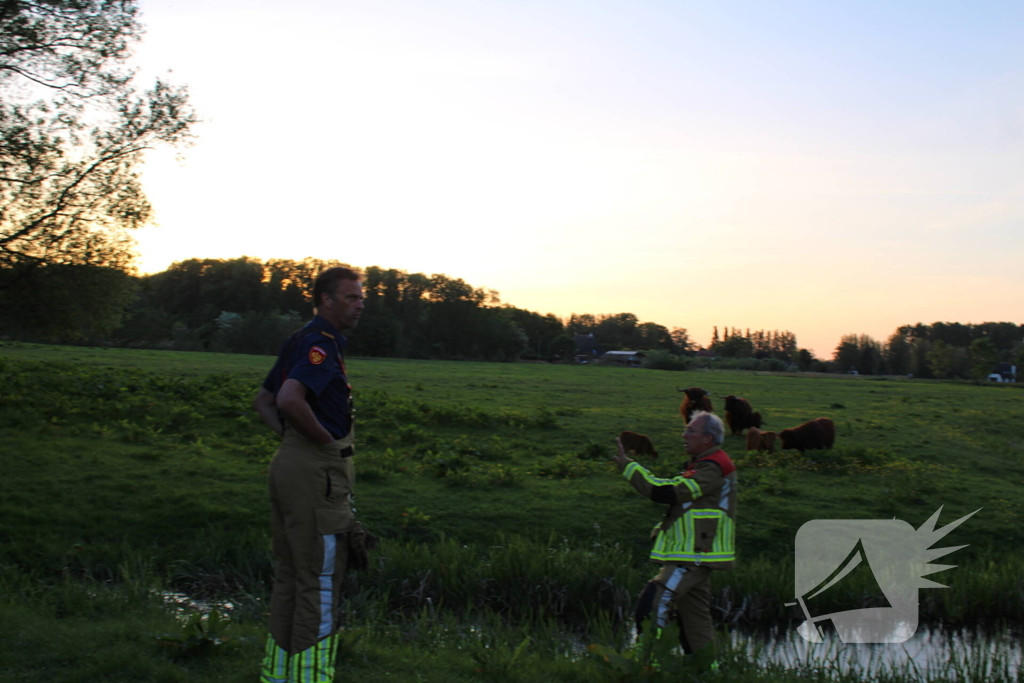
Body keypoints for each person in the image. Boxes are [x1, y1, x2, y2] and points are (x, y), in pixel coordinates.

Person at [254, 266, 365, 683]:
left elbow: (263, 404)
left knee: (289, 575)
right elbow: (287, 398)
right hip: (317, 471)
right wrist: (325, 446)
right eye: (352, 297)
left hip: (289, 464)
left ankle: (278, 676)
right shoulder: (321, 343)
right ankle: (312, 678)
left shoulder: (298, 339)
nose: (360, 305)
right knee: (320, 580)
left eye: (361, 298)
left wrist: (293, 441)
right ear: (326, 300)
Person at [612, 410, 737, 663]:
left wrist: (629, 467)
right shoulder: (705, 463)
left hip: (694, 554)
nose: (684, 435)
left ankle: (647, 664)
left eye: (691, 431)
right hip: (697, 554)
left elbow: (669, 492)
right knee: (695, 621)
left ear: (708, 438)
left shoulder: (713, 466)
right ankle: (708, 673)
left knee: (654, 601)